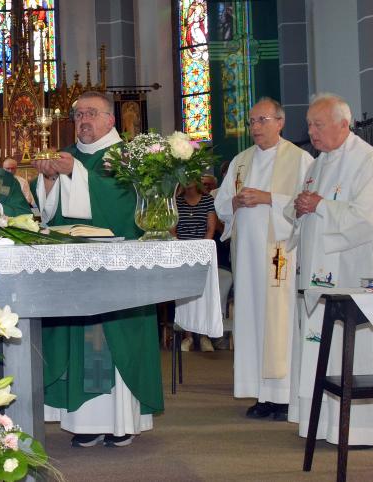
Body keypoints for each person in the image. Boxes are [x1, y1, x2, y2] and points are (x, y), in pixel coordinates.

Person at [34, 91, 161, 448]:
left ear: (110, 120)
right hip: (76, 269)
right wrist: (47, 181)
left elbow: (122, 205)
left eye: (91, 113)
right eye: (77, 115)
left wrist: (74, 172)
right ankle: (85, 421)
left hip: (118, 268)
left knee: (114, 337)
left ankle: (122, 422)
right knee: (81, 338)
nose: (83, 121)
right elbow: (48, 214)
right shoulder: (67, 156)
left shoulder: (127, 156)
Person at [284, 93, 373, 446]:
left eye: (318, 125)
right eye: (309, 125)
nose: (312, 132)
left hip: (361, 273)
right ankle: (323, 424)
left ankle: (367, 428)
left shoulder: (371, 162)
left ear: (343, 125)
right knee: (322, 346)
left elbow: (367, 219)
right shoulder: (318, 163)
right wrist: (299, 208)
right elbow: (302, 205)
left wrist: (320, 206)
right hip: (323, 272)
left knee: (360, 348)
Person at [214, 98, 314, 421]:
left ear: (280, 122)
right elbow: (219, 205)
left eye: (262, 120)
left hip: (279, 257)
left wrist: (267, 198)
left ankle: (283, 396)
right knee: (252, 321)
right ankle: (261, 393)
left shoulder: (300, 160)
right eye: (252, 121)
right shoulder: (240, 162)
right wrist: (236, 201)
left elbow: (306, 203)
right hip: (246, 259)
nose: (255, 127)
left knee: (279, 322)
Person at [171, 179, 217, 351]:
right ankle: (188, 336)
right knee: (184, 296)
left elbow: (210, 228)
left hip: (202, 251)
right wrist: (181, 249)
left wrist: (202, 251)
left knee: (203, 293)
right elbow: (172, 228)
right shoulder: (177, 201)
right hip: (182, 252)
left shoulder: (207, 200)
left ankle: (204, 336)